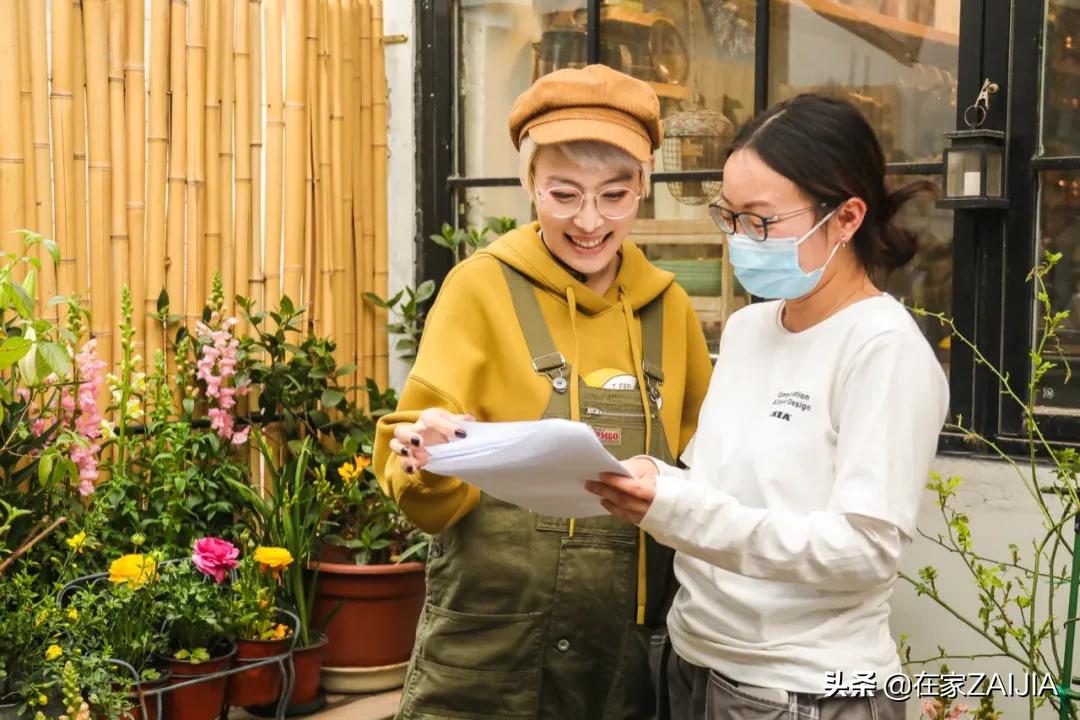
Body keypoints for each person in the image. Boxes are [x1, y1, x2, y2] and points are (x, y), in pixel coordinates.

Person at [588, 93, 950, 720]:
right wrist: (652, 484)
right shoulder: (751, 328)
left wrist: (680, 509)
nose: (738, 239)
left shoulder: (883, 349)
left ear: (845, 219)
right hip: (693, 659)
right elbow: (719, 489)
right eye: (727, 216)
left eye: (760, 221)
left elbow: (863, 552)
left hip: (800, 688)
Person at [373, 64, 713, 720]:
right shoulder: (479, 289)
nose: (590, 222)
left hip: (625, 656)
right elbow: (416, 482)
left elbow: (708, 462)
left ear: (642, 188)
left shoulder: (668, 309)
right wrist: (426, 453)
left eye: (614, 196)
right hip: (488, 647)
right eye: (564, 195)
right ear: (528, 183)